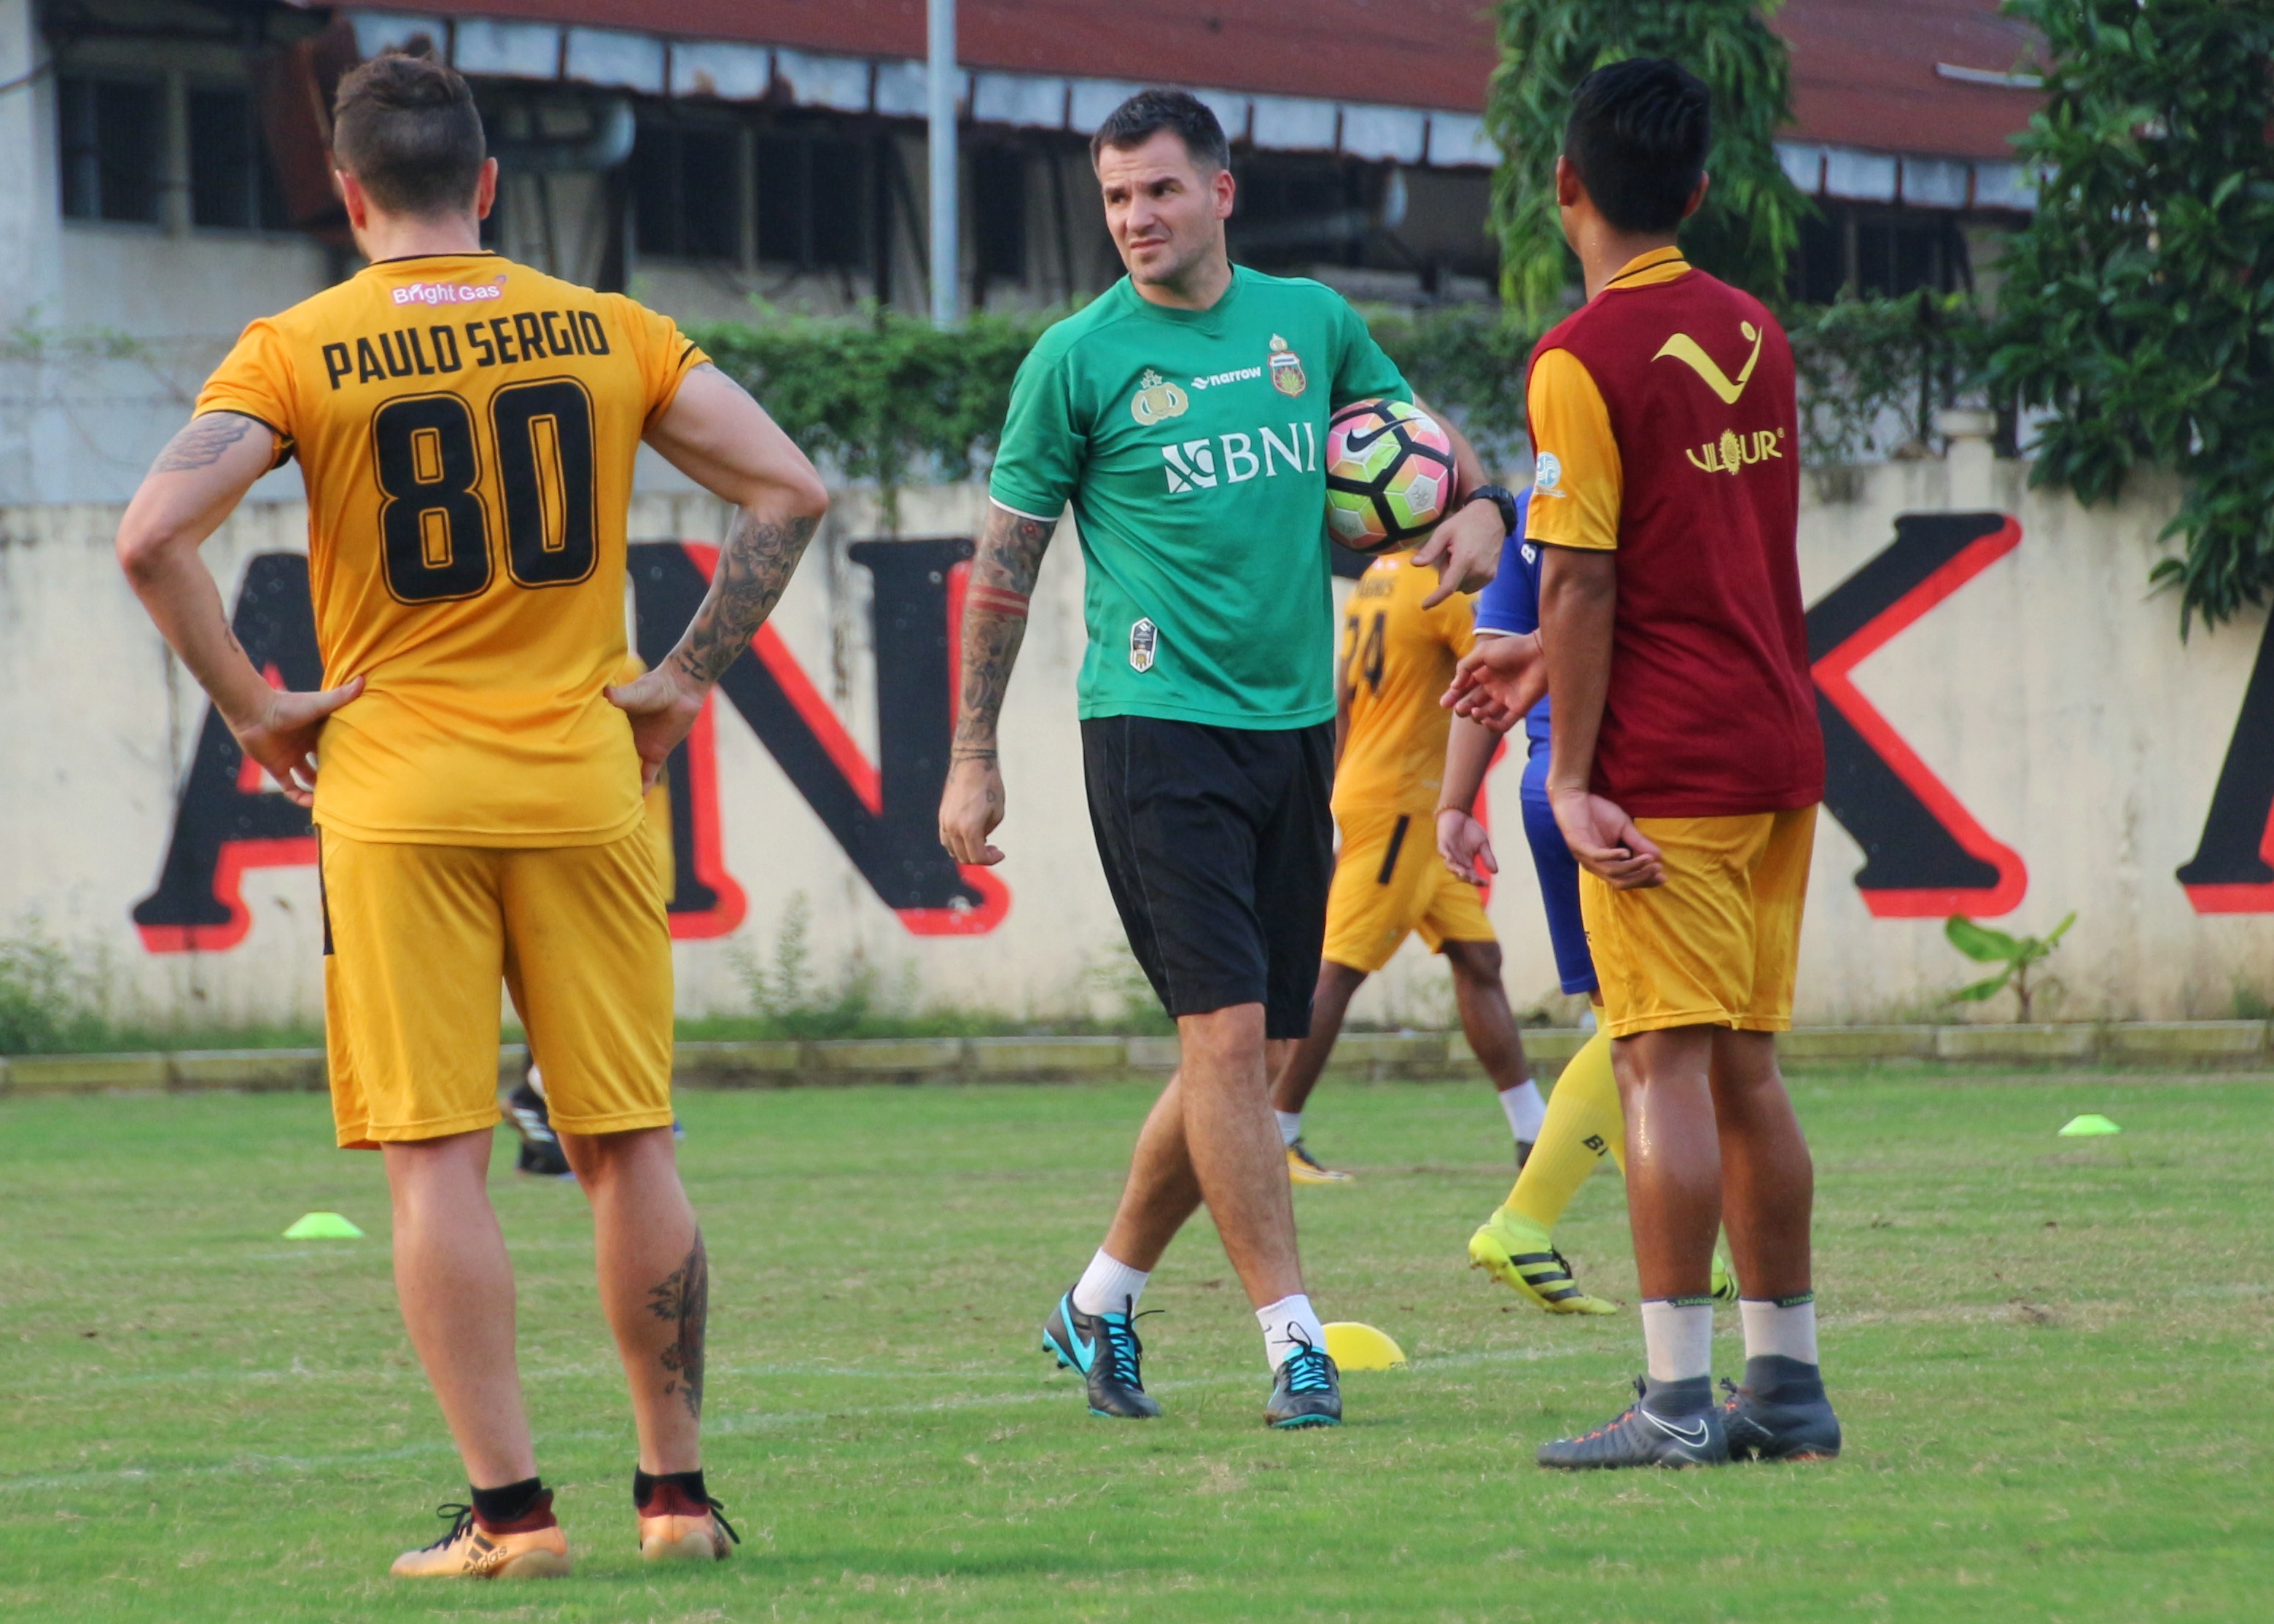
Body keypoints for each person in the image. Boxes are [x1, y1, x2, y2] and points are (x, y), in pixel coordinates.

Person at [113, 47, 830, 1573]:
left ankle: (513, 1521)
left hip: (395, 791)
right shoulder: (605, 331)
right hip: (585, 779)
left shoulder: (297, 347)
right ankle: (675, 1499)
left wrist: (254, 705)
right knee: (626, 1139)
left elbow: (152, 538)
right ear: (490, 187)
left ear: (351, 194)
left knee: (435, 1154)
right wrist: (682, 678)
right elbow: (788, 490)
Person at [936, 88, 1504, 1431]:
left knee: (1237, 1058)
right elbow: (1002, 577)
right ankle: (1290, 1340)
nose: (1134, 219)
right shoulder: (1074, 360)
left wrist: (1481, 503)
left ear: (1220, 193)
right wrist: (972, 757)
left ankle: (1094, 1300)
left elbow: (1420, 447)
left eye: (1158, 192)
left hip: (1297, 732)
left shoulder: (1309, 323)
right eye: (1115, 197)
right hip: (1151, 725)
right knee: (1228, 1038)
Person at [1447, 58, 1839, 1469]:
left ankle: (1676, 1400)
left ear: (1562, 187)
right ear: (1692, 189)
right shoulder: (1757, 333)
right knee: (1744, 1069)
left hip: (1659, 765)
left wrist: (1563, 774)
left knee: (1656, 1067)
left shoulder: (1576, 359)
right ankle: (1782, 1389)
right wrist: (1541, 658)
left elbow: (1588, 580)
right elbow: (1696, 558)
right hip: (1772, 746)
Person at [1438, 510, 1735, 1319]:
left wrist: (1454, 803)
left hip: (1547, 785)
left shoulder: (1525, 517)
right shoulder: (1621, 509)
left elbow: (1483, 675)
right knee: (1655, 1026)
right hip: (1609, 788)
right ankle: (1522, 1220)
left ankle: (1686, 1240)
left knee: (1635, 1025)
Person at [1266, 543, 1549, 1187]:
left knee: (1478, 961)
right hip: (1402, 806)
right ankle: (1274, 1132)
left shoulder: (1376, 577)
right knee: (1335, 970)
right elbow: (1498, 659)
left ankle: (1532, 1131)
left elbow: (1340, 694)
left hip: (1396, 802)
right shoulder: (1441, 586)